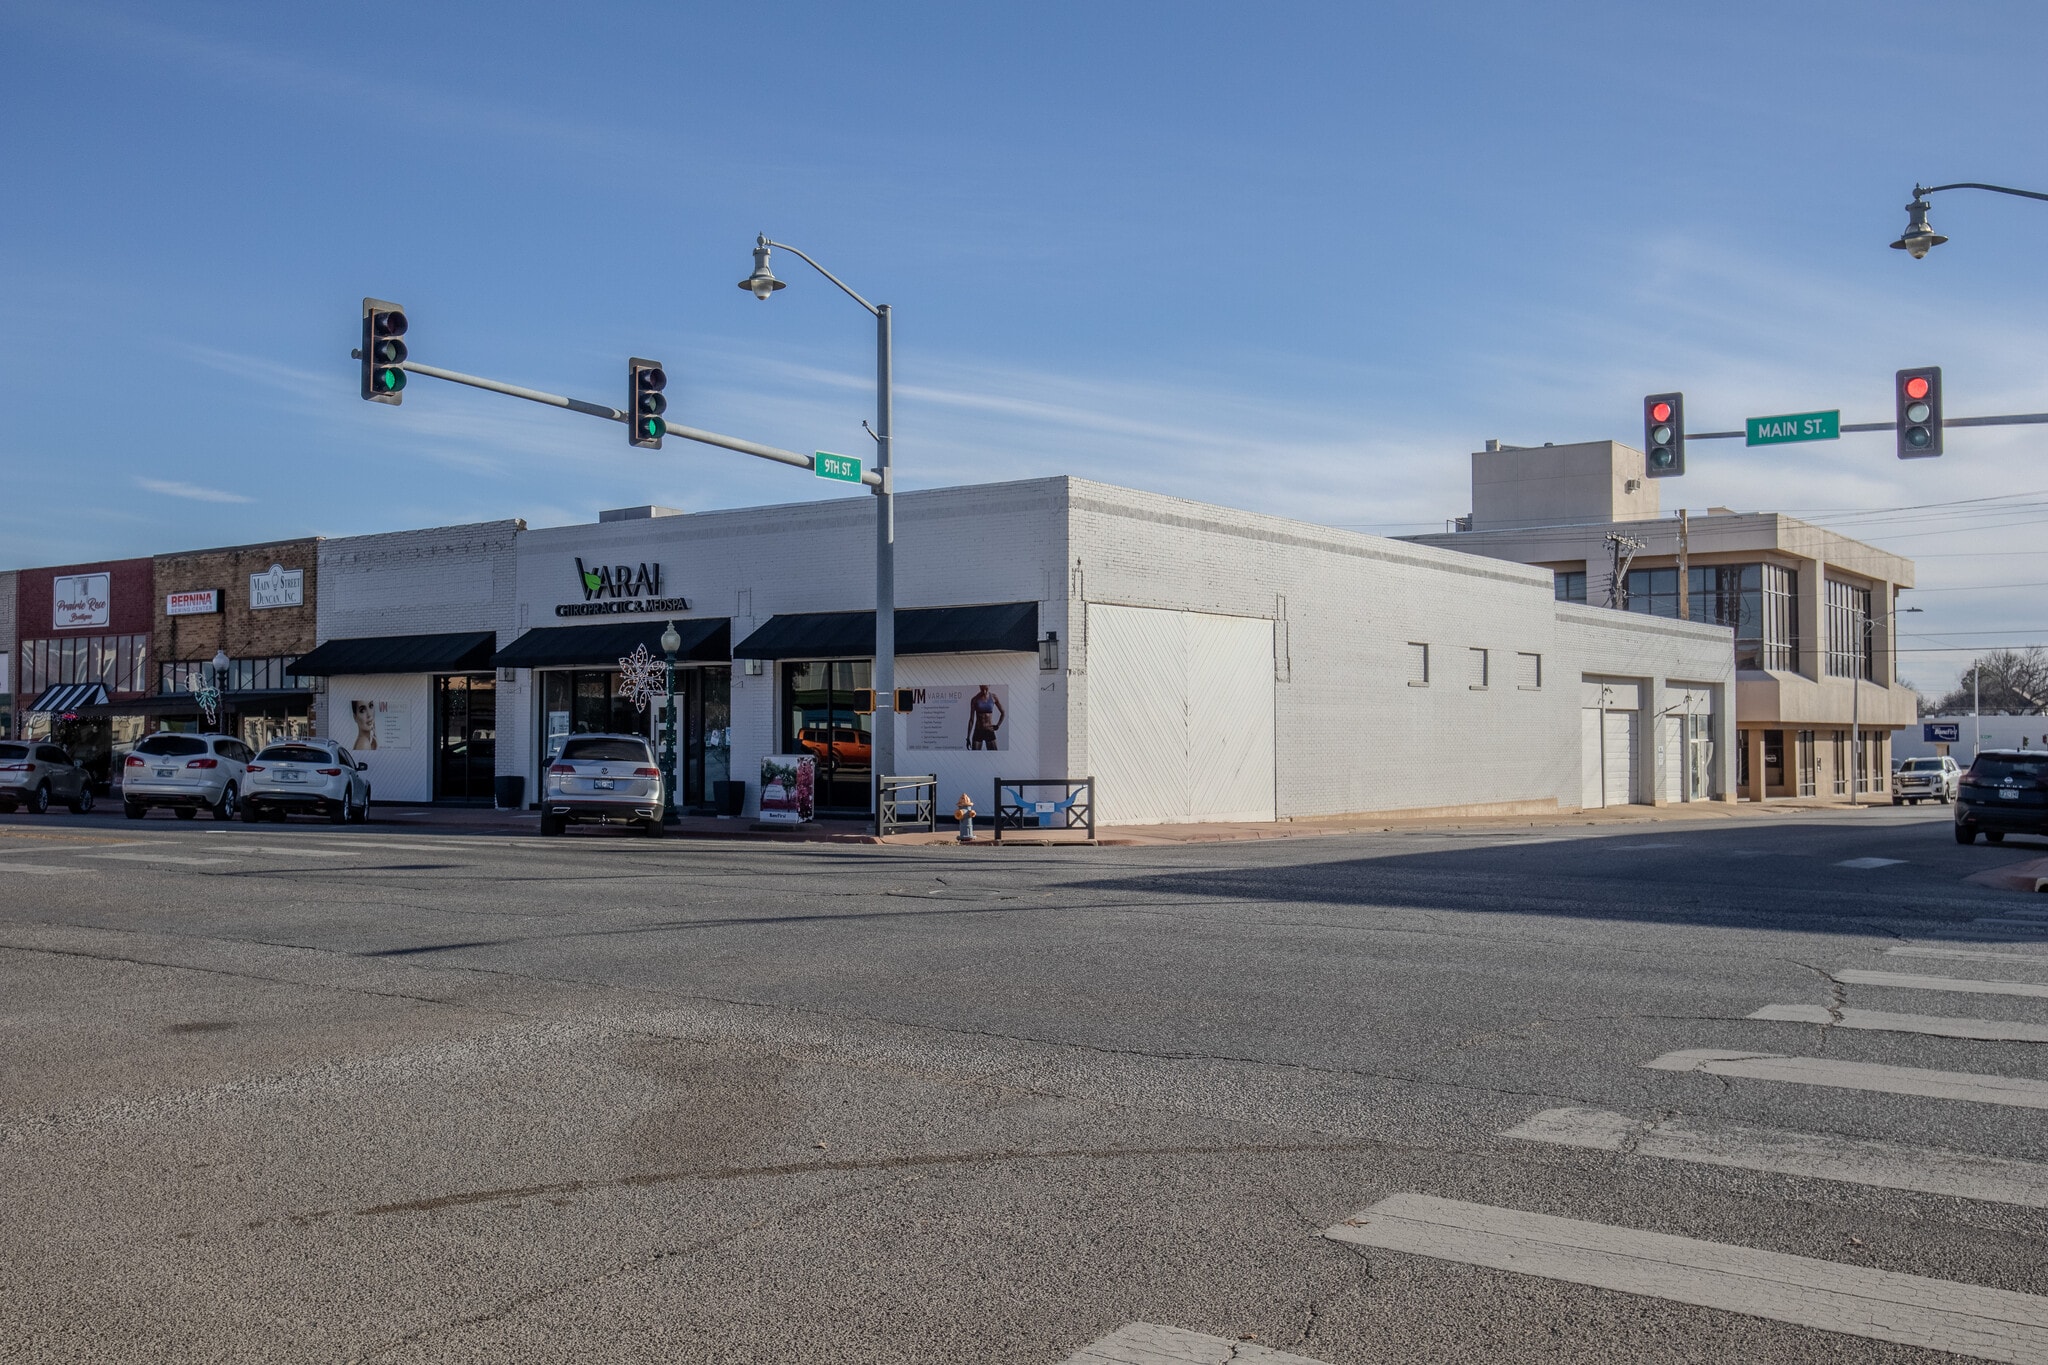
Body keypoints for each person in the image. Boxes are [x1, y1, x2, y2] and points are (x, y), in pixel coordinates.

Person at [966, 685, 1005, 751]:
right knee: (975, 757)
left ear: (989, 685)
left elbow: (1003, 712)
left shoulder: (993, 697)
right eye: (982, 689)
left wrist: (998, 725)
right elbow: (971, 720)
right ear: (979, 686)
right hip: (978, 731)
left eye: (986, 689)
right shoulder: (974, 699)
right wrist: (968, 737)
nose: (984, 691)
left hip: (989, 731)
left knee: (994, 756)